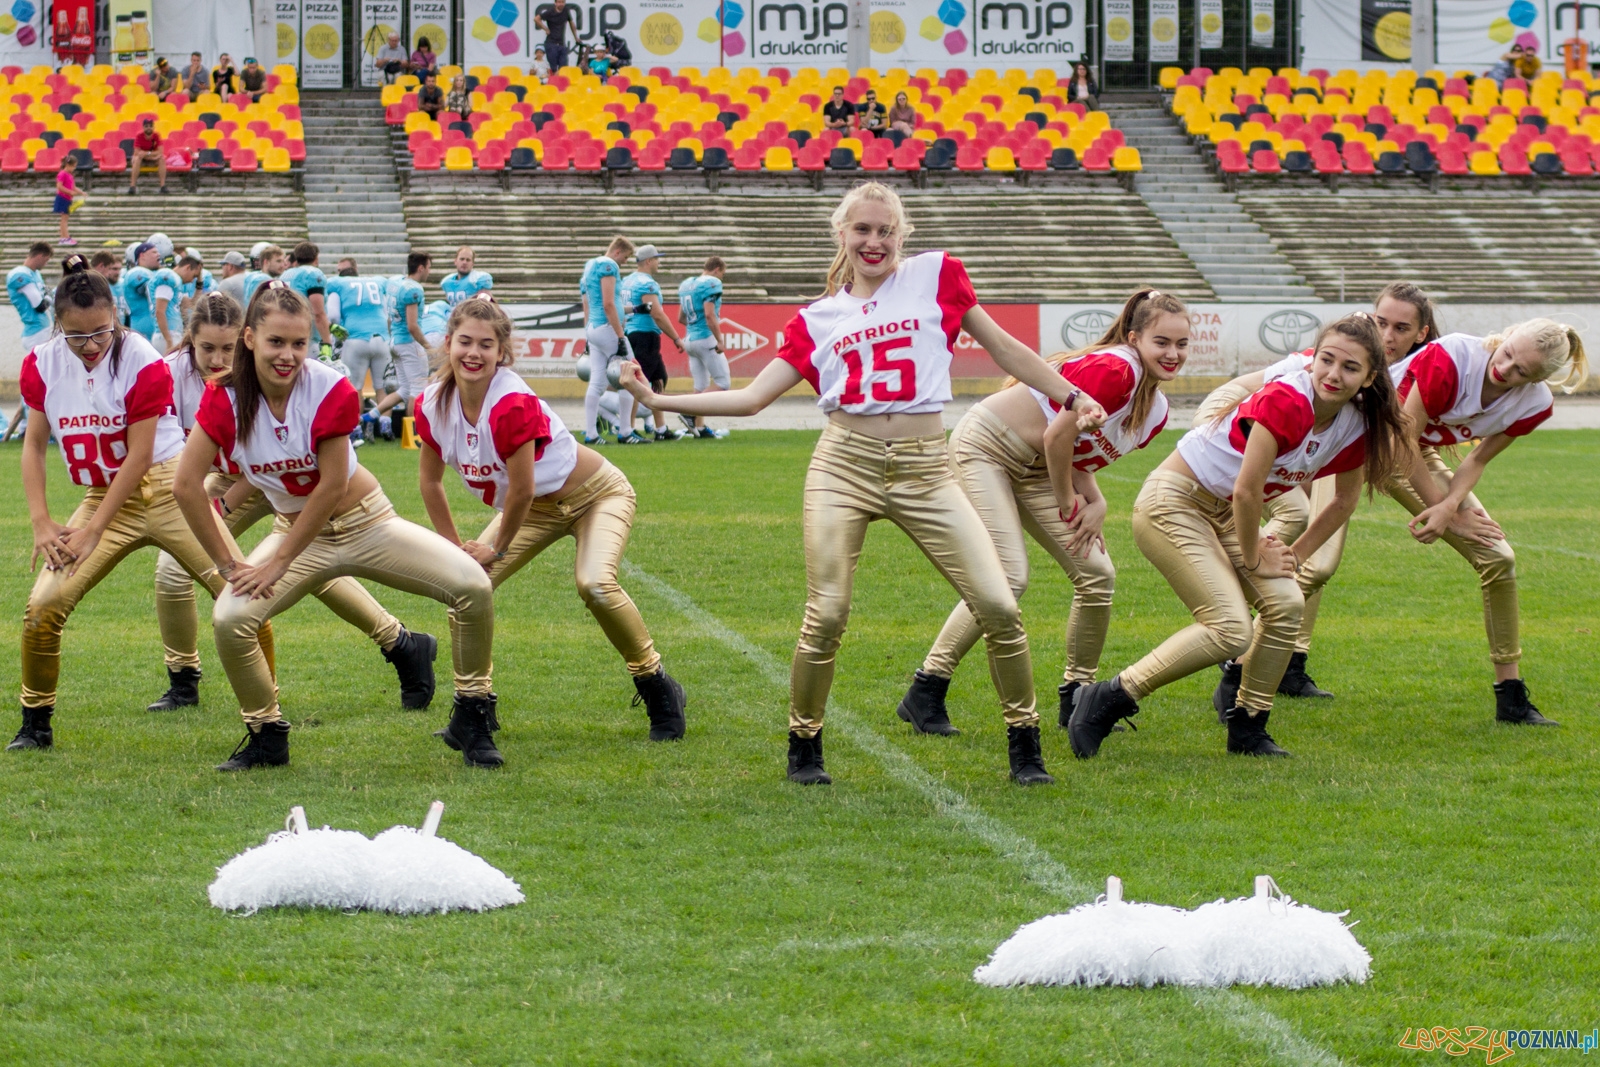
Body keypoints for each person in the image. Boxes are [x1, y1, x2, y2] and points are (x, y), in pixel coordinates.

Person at [619, 182, 1094, 786]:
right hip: (844, 465)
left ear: (902, 234)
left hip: (926, 466)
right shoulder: (818, 318)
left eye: (886, 230)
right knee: (828, 614)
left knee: (999, 603)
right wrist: (656, 397)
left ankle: (1024, 747)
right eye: (863, 230)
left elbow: (1004, 349)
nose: (875, 242)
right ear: (842, 234)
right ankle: (804, 745)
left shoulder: (938, 275)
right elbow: (753, 397)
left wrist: (1070, 395)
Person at [173, 284, 498, 771]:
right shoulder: (224, 398)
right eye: (275, 342)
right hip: (297, 529)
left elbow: (329, 487)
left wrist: (278, 562)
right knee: (230, 618)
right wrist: (228, 563)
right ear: (248, 338)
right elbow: (185, 485)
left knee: (473, 586)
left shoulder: (329, 387)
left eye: (299, 343)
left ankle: (472, 715)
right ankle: (266, 735)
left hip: (366, 522)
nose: (288, 355)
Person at [1067, 314, 1409, 761]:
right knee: (1230, 629)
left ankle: (1248, 724)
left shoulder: (1360, 421)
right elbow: (1249, 489)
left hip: (1224, 511)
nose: (1333, 374)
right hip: (1175, 501)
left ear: (1369, 378)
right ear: (1312, 361)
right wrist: (1253, 557)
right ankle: (1110, 696)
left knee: (1288, 602)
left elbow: (1342, 502)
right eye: (1326, 360)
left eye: (1350, 368)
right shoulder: (1290, 399)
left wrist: (1292, 555)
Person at [898, 289, 1187, 736]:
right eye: (1161, 342)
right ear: (1134, 339)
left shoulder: (1156, 412)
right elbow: (1057, 438)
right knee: (1009, 577)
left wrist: (1098, 501)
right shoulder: (1118, 370)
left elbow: (1077, 453)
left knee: (1098, 573)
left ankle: (1077, 696)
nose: (1172, 353)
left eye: (1181, 344)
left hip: (1038, 467)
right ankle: (927, 688)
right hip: (988, 448)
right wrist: (1072, 503)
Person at [8, 263, 266, 753]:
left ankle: (266, 721)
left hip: (167, 490)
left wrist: (91, 532)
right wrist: (41, 522)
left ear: (118, 318)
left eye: (101, 331)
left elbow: (141, 454)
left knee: (242, 594)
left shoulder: (141, 356)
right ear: (57, 325)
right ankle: (35, 723)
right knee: (43, 606)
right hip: (102, 494)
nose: (90, 344)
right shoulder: (42, 362)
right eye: (76, 335)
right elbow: (34, 444)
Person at [416, 296, 688, 743]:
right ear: (448, 344)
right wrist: (454, 550)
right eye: (464, 341)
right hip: (533, 509)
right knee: (463, 587)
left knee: (595, 584)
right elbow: (430, 483)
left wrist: (496, 548)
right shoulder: (432, 403)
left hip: (597, 494)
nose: (473, 353)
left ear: (502, 353)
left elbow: (521, 489)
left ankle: (657, 684)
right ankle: (475, 709)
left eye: (486, 345)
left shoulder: (511, 402)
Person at [148, 288, 433, 712]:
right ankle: (184, 678)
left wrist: (224, 508)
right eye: (207, 348)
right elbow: (180, 463)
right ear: (190, 342)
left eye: (228, 348)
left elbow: (267, 459)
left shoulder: (268, 374)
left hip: (282, 476)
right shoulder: (171, 373)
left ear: (245, 340)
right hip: (234, 476)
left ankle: (393, 645)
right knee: (174, 569)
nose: (218, 359)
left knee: (304, 565)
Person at [1200, 282, 1440, 702]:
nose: (1388, 335)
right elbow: (1293, 419)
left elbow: (1394, 447)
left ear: (1421, 333)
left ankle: (1282, 659)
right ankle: (1240, 631)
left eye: (1401, 328)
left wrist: (1446, 503)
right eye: (1381, 322)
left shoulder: (1395, 372)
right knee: (1302, 532)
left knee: (1315, 554)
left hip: (1291, 440)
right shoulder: (1346, 357)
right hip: (1237, 410)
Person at [1385, 320, 1586, 724]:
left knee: (1499, 558)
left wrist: (1452, 506)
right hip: (1356, 438)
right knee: (1315, 563)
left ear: (1538, 381)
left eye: (1521, 371)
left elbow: (1476, 458)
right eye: (1508, 352)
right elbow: (1400, 441)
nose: (1505, 368)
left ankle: (1510, 696)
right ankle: (1246, 673)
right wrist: (1446, 514)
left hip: (1416, 456)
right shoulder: (1454, 357)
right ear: (1507, 335)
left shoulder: (1534, 404)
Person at [619, 244, 685, 441]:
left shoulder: (628, 280)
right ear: (648, 261)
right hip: (644, 334)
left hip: (634, 332)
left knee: (658, 379)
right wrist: (675, 337)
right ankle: (628, 429)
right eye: (656, 258)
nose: (659, 262)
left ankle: (661, 428)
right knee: (637, 381)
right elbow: (656, 313)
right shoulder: (646, 284)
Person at [579, 236, 640, 445]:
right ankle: (625, 431)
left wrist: (587, 332)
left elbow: (586, 304)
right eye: (626, 256)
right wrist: (621, 336)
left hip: (593, 328)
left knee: (596, 382)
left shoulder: (589, 266)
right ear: (617, 252)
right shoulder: (608, 265)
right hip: (607, 328)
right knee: (628, 376)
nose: (625, 261)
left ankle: (591, 434)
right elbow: (608, 304)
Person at [368, 252, 433, 433]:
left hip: (395, 340)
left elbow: (390, 319)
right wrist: (429, 347)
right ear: (421, 268)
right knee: (418, 388)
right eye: (428, 267)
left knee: (404, 389)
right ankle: (413, 432)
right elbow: (413, 326)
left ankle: (372, 414)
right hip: (409, 342)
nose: (429, 271)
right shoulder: (413, 289)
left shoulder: (395, 283)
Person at [326, 261, 393, 426]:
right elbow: (387, 314)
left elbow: (333, 316)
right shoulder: (376, 283)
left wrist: (336, 333)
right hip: (381, 338)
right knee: (382, 387)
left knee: (355, 387)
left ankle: (355, 426)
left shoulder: (337, 285)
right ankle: (386, 423)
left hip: (355, 338)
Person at [676, 256, 729, 439]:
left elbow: (681, 318)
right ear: (717, 269)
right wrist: (720, 340)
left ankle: (699, 427)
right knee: (722, 383)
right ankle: (689, 412)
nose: (721, 278)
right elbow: (709, 314)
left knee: (700, 386)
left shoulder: (686, 284)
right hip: (705, 338)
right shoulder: (712, 283)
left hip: (689, 338)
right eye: (722, 273)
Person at [280, 242, 335, 353]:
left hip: (285, 330)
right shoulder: (313, 274)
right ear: (316, 258)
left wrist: (329, 326)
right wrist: (327, 343)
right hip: (307, 338)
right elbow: (318, 313)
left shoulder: (285, 274)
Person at [8, 242, 55, 353]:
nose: (46, 264)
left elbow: (46, 296)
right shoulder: (20, 275)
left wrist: (48, 295)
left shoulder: (35, 273)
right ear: (40, 256)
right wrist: (49, 295)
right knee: (39, 369)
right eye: (46, 260)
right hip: (35, 333)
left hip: (43, 328)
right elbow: (39, 306)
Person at [149, 253, 185, 353]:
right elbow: (160, 311)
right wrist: (168, 339)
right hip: (166, 335)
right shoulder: (167, 277)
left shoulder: (171, 278)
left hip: (167, 334)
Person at [127, 118, 168, 195]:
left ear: (153, 127)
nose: (148, 127)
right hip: (142, 159)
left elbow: (160, 151)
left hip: (151, 158)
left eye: (150, 126)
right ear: (143, 127)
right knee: (136, 159)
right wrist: (150, 155)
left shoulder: (157, 136)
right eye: (146, 126)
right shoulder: (139, 136)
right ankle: (132, 186)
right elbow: (137, 152)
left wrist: (147, 154)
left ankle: (163, 186)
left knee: (161, 159)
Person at [534, 0, 577, 72]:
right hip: (551, 43)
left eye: (563, 2)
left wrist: (576, 37)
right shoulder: (550, 12)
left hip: (561, 43)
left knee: (563, 67)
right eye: (559, 2)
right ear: (555, 3)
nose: (561, 4)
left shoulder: (566, 11)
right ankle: (553, 81)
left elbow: (571, 23)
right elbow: (536, 19)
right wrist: (546, 29)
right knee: (553, 68)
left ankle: (560, 81)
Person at [53, 155, 78, 247]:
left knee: (65, 218)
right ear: (67, 164)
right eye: (73, 166)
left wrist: (81, 192)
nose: (74, 168)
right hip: (62, 198)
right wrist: (70, 192)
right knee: (64, 219)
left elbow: (73, 187)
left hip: (67, 198)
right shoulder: (62, 174)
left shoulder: (70, 175)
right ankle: (64, 238)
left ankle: (64, 237)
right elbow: (59, 186)